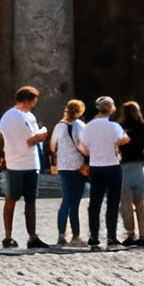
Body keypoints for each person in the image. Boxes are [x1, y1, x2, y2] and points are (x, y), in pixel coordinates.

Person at [0, 86, 50, 250]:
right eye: (34, 100)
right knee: (29, 201)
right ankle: (31, 236)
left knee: (12, 199)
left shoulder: (6, 117)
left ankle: (9, 235)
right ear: (27, 99)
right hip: (27, 163)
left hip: (15, 162)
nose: (35, 104)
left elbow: (1, 138)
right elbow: (32, 140)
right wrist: (44, 131)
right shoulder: (22, 117)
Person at [78, 97, 126, 247]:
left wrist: (91, 153)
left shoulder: (89, 126)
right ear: (111, 109)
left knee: (95, 203)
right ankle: (111, 236)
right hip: (112, 165)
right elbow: (124, 139)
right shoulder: (114, 126)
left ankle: (94, 236)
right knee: (112, 203)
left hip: (96, 166)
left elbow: (81, 146)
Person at [114, 100, 144, 246]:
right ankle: (143, 235)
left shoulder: (120, 128)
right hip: (139, 167)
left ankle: (130, 234)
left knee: (125, 204)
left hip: (124, 167)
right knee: (141, 202)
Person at [51, 99, 89, 246]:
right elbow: (83, 144)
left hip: (63, 166)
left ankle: (61, 234)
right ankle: (75, 235)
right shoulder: (80, 125)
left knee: (66, 199)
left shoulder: (59, 126)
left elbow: (52, 145)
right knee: (74, 201)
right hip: (77, 166)